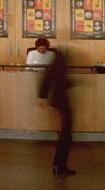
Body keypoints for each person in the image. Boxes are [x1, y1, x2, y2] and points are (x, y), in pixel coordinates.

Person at [31, 38, 76, 175]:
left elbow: (49, 78)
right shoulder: (61, 60)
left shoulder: (57, 59)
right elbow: (52, 78)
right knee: (66, 135)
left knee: (65, 134)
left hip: (59, 100)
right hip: (61, 101)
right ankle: (60, 166)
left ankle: (59, 165)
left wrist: (42, 96)